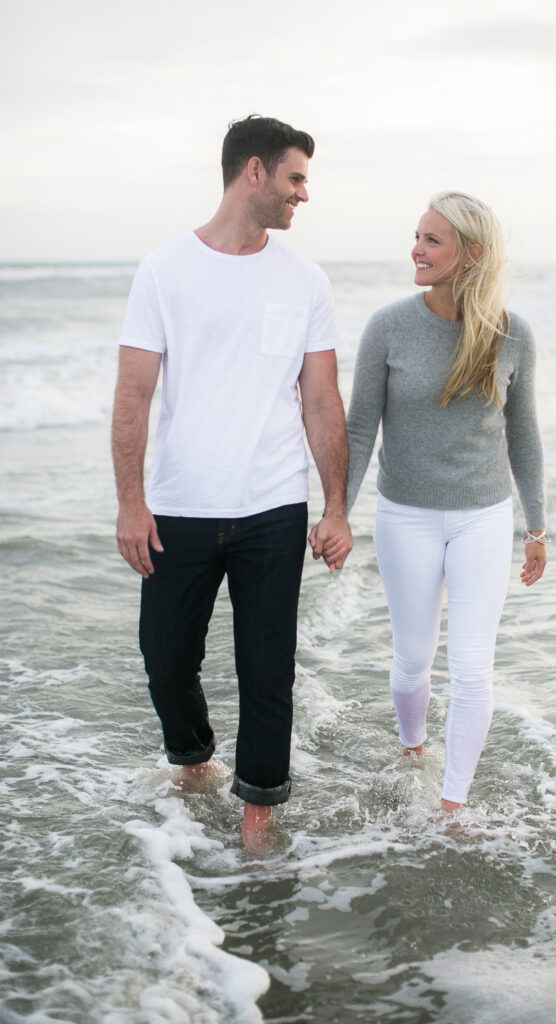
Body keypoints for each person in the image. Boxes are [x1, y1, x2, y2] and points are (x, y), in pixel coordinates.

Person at [112, 115, 353, 848]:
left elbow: (319, 401)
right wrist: (131, 503)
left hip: (272, 506)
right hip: (181, 504)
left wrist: (336, 505)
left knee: (266, 667)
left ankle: (258, 817)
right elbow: (133, 396)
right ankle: (193, 760)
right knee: (166, 658)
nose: (303, 194)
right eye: (295, 177)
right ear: (254, 171)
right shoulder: (163, 271)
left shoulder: (304, 279)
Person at [344, 191, 548, 813]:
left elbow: (524, 435)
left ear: (471, 253)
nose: (417, 248)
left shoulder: (512, 335)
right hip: (405, 514)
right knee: (412, 661)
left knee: (471, 668)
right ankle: (414, 750)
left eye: (433, 240)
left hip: (484, 516)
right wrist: (335, 514)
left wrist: (536, 527)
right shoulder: (388, 326)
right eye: (417, 236)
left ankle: (453, 807)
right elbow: (359, 430)